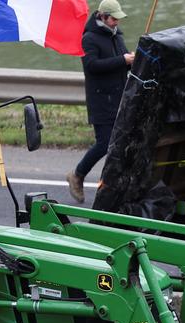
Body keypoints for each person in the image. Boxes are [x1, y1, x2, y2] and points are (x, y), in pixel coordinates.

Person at [67, 0, 134, 203]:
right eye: (113, 19)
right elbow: (92, 65)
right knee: (104, 143)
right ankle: (77, 175)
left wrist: (133, 61)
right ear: (102, 17)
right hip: (101, 101)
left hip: (120, 99)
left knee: (122, 144)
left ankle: (116, 185)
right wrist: (123, 60)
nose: (116, 23)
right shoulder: (89, 39)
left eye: (118, 19)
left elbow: (121, 65)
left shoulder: (117, 37)